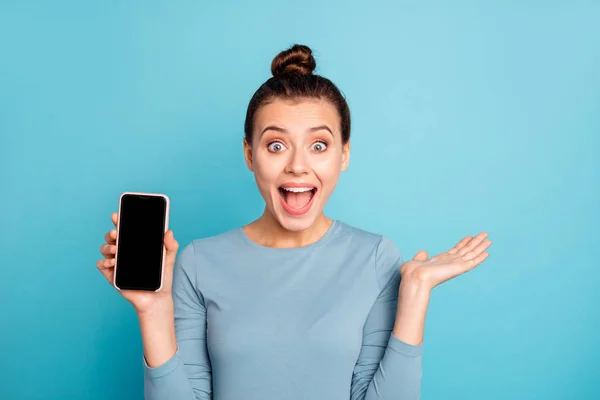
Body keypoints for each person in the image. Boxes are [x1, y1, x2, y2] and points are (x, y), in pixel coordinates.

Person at [97, 44, 491, 400]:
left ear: (344, 155)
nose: (298, 165)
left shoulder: (375, 257)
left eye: (318, 145)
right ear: (250, 155)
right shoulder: (200, 262)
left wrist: (416, 293)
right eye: (276, 145)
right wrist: (152, 312)